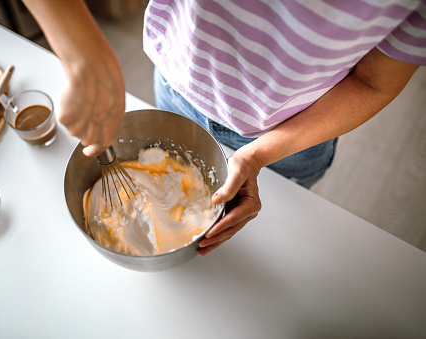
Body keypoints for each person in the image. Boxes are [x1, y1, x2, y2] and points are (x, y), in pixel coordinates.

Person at [22, 0, 426, 256]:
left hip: (296, 137)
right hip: (178, 85)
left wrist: (258, 154)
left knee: (276, 239)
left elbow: (374, 81)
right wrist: (84, 58)